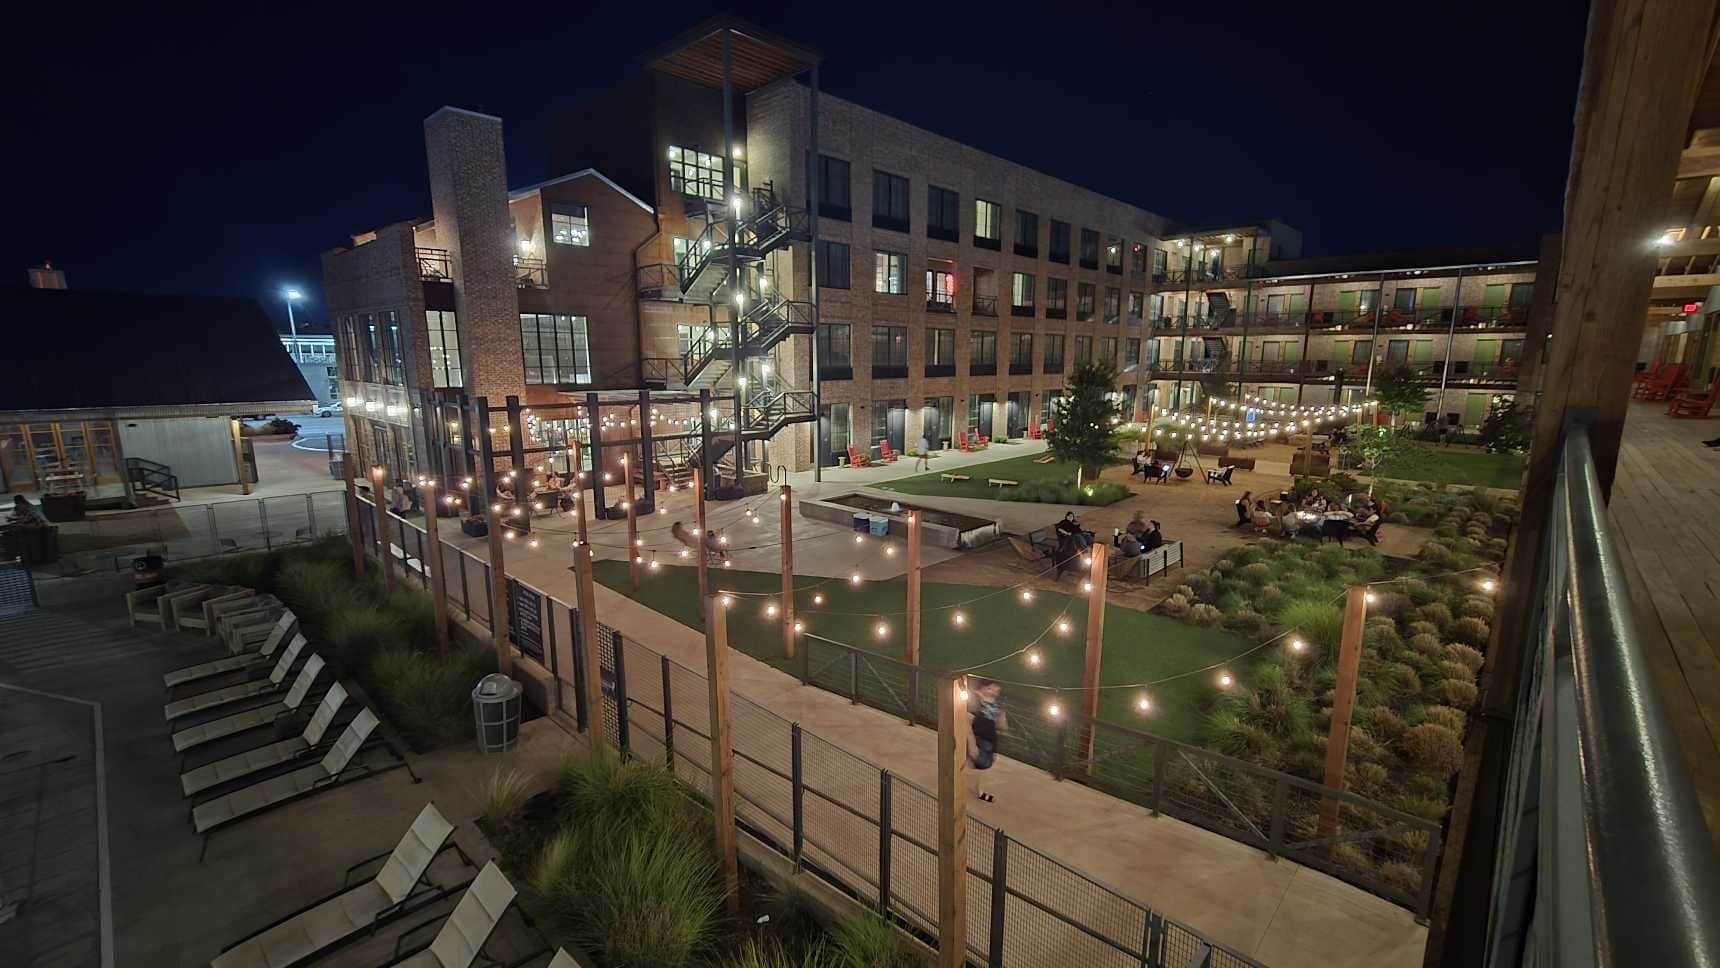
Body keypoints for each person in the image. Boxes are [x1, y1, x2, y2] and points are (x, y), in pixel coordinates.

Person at [966, 678, 1007, 803]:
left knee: (982, 767)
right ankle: (953, 785)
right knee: (968, 763)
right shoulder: (975, 702)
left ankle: (979, 791)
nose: (996, 689)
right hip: (977, 739)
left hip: (989, 742)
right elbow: (966, 723)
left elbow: (1001, 726)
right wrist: (972, 744)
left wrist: (1001, 720)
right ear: (985, 688)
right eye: (993, 687)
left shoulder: (996, 705)